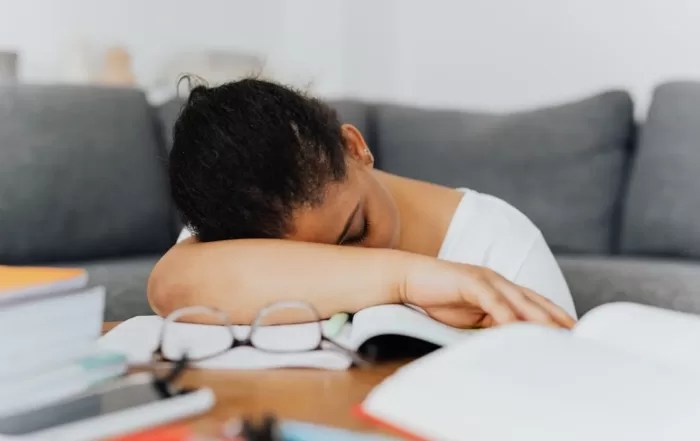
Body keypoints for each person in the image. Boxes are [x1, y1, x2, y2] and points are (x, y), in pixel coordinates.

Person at [148, 77, 577, 330]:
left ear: (355, 148)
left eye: (357, 230)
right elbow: (168, 286)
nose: (346, 266)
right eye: (298, 259)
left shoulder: (502, 247)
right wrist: (407, 278)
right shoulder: (251, 212)